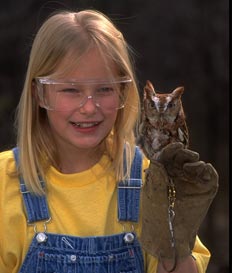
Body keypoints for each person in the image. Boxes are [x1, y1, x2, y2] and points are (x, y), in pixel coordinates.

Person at [0, 9, 218, 273]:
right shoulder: (5, 182)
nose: (90, 108)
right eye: (71, 89)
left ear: (124, 91)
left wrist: (176, 246)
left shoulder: (150, 180)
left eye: (105, 89)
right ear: (40, 93)